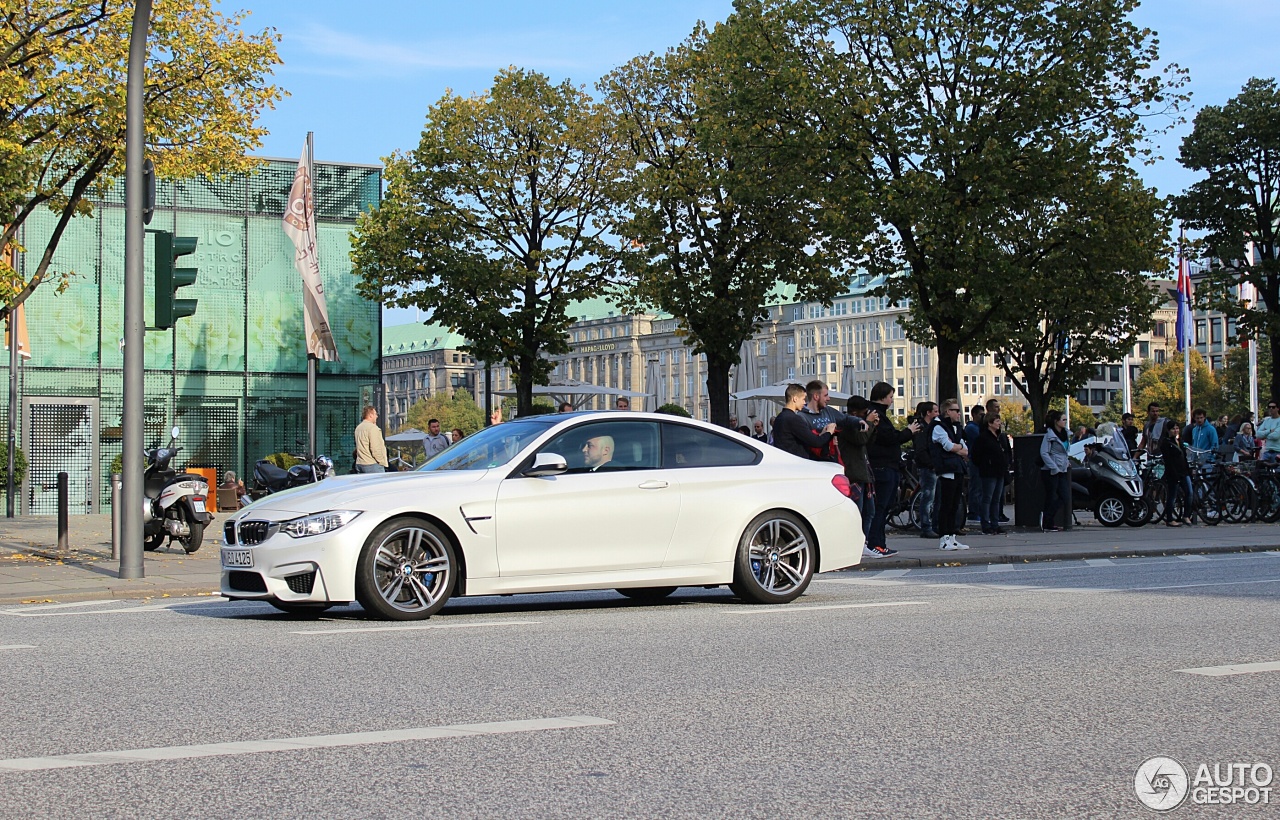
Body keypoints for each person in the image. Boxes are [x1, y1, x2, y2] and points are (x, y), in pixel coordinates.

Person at [866, 381, 922, 558]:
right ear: (882, 397)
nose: (892, 400)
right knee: (881, 507)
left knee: (883, 507)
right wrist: (908, 431)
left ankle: (879, 543)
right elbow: (889, 438)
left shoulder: (878, 414)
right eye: (890, 397)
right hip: (883, 466)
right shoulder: (876, 415)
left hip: (886, 465)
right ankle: (876, 543)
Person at [835, 396, 877, 550]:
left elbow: (867, 443)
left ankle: (863, 542)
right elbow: (860, 439)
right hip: (854, 473)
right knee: (857, 512)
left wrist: (873, 426)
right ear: (855, 412)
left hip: (863, 471)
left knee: (870, 511)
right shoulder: (848, 424)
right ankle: (855, 544)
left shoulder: (861, 424)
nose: (866, 415)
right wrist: (870, 423)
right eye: (864, 412)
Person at [931, 399, 969, 550]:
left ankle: (952, 536)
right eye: (956, 410)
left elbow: (965, 449)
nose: (959, 413)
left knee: (955, 504)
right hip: (947, 469)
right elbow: (947, 446)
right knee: (946, 505)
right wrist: (957, 447)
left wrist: (957, 447)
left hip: (957, 468)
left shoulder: (955, 428)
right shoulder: (938, 427)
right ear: (948, 412)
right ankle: (943, 538)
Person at [771, 383, 837, 459]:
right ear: (795, 399)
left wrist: (822, 434)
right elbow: (816, 442)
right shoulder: (794, 419)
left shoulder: (779, 418)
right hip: (797, 463)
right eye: (803, 399)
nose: (804, 403)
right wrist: (829, 432)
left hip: (784, 460)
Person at [971, 413, 1009, 535]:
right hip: (989, 471)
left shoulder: (1000, 437)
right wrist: (986, 464)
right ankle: (986, 523)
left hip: (999, 471)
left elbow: (1006, 452)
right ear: (990, 423)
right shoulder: (983, 438)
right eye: (997, 421)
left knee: (996, 499)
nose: (999, 423)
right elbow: (976, 455)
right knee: (987, 498)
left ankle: (995, 523)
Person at [799, 380, 846, 462]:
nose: (828, 399)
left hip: (832, 460)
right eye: (825, 395)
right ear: (816, 396)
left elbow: (846, 419)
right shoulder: (801, 417)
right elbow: (810, 442)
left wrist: (859, 421)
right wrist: (825, 433)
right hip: (814, 463)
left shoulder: (828, 410)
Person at [912, 401, 940, 539]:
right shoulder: (923, 429)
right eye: (935, 411)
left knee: (930, 496)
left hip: (930, 465)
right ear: (928, 413)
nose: (937, 413)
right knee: (928, 496)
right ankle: (926, 526)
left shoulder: (930, 427)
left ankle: (931, 525)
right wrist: (931, 464)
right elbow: (921, 449)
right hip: (928, 467)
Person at [1040, 409, 1070, 531]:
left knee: (1064, 495)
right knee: (1051, 495)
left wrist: (1066, 462)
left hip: (1062, 469)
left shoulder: (1066, 434)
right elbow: (1044, 452)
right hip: (1051, 470)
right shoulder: (1049, 435)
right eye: (1063, 420)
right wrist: (1053, 467)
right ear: (1056, 422)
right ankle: (1048, 522)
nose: (1065, 422)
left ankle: (1047, 516)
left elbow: (1065, 451)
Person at [1160, 420, 1193, 526]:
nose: (1176, 431)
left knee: (1189, 492)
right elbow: (1168, 461)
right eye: (1173, 429)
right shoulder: (1166, 443)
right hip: (1173, 473)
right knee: (1172, 496)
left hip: (1184, 471)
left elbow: (1184, 456)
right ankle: (1169, 519)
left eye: (1177, 428)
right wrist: (1174, 474)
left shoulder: (1179, 441)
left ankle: (1186, 515)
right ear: (1168, 430)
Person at [962, 404, 986, 522]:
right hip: (974, 460)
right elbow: (980, 439)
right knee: (976, 487)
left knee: (980, 487)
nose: (983, 417)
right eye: (981, 415)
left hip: (979, 460)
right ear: (974, 415)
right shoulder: (972, 428)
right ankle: (974, 511)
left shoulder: (978, 427)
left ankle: (978, 511)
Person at [354, 405, 388, 473]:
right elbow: (375, 448)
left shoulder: (358, 428)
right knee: (379, 483)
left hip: (360, 463)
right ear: (370, 415)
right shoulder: (373, 428)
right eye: (375, 414)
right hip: (372, 464)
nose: (377, 416)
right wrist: (382, 462)